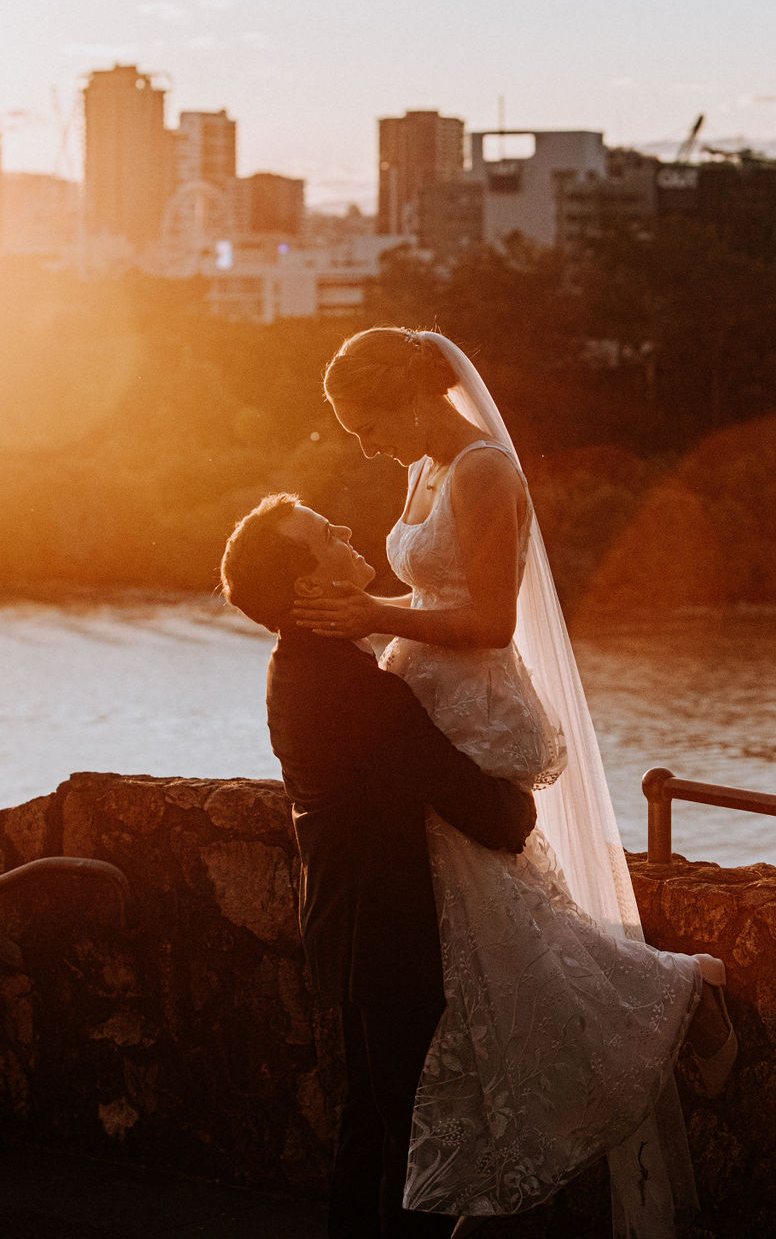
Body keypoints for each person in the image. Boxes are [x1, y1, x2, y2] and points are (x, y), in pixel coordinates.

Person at [294, 328, 737, 1239]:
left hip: (477, 710)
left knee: (505, 920)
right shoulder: (422, 467)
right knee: (488, 936)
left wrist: (373, 615)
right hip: (429, 699)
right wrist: (387, 638)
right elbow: (430, 592)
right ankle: (482, 1173)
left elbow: (493, 621)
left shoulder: (485, 471)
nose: (363, 443)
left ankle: (683, 990)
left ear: (408, 394)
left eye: (365, 421)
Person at [220, 493, 537, 1239]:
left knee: (369, 1128)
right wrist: (527, 783)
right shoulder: (363, 690)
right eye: (323, 534)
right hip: (391, 934)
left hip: (344, 923)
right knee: (413, 1144)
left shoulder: (293, 667)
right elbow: (490, 816)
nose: (344, 527)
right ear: (308, 587)